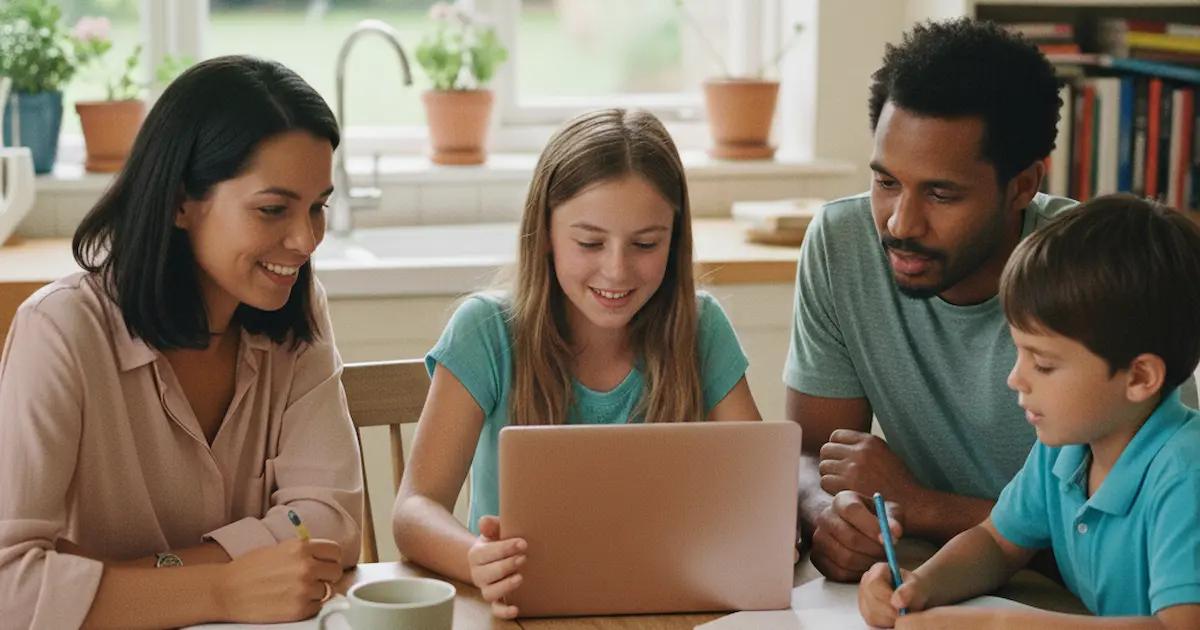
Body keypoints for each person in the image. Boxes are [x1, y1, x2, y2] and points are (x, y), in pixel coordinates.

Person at [0, 56, 362, 628]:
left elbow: (330, 521)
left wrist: (129, 577)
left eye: (318, 206)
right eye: (273, 209)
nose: (306, 239)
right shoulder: (60, 332)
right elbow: (9, 585)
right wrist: (221, 590)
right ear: (179, 203)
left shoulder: (297, 311)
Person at [392, 108, 762, 619]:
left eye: (646, 243)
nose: (617, 270)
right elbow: (414, 511)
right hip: (523, 615)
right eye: (589, 242)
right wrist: (474, 558)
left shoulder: (702, 328)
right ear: (545, 232)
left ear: (674, 239)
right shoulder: (486, 331)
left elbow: (759, 487)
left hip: (665, 610)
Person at [785, 17, 1079, 582]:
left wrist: (921, 505)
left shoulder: (1096, 273)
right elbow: (813, 453)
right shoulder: (841, 243)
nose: (900, 223)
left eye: (941, 193)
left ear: (1023, 186)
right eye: (886, 182)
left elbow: (1134, 531)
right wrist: (829, 514)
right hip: (928, 580)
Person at [858, 194, 1200, 629]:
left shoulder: (1186, 474)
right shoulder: (1065, 451)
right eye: (1019, 352)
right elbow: (997, 544)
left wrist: (1000, 626)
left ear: (1139, 377)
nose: (1016, 379)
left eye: (1043, 363)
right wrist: (918, 586)